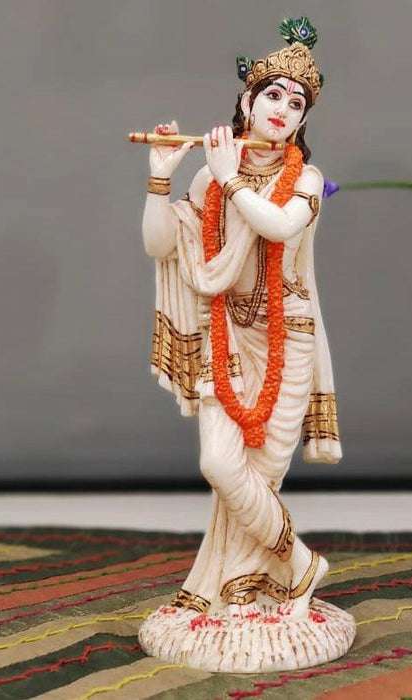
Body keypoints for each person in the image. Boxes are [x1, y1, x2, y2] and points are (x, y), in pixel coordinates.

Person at [141, 17, 342, 620]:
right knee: (219, 466)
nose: (282, 109)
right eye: (272, 95)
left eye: (296, 103)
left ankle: (243, 585)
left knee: (259, 476)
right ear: (246, 102)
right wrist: (160, 177)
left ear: (303, 121)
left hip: (288, 341)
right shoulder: (210, 176)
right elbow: (160, 245)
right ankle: (301, 563)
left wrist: (229, 179)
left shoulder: (305, 179)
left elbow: (278, 226)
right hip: (225, 335)